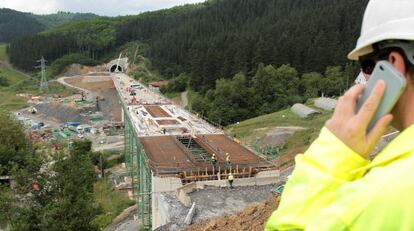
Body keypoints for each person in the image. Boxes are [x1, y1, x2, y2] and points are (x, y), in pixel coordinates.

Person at [266, 1, 414, 230]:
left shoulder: (385, 193)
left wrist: (336, 152)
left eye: (367, 66)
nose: (365, 79)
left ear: (394, 63)